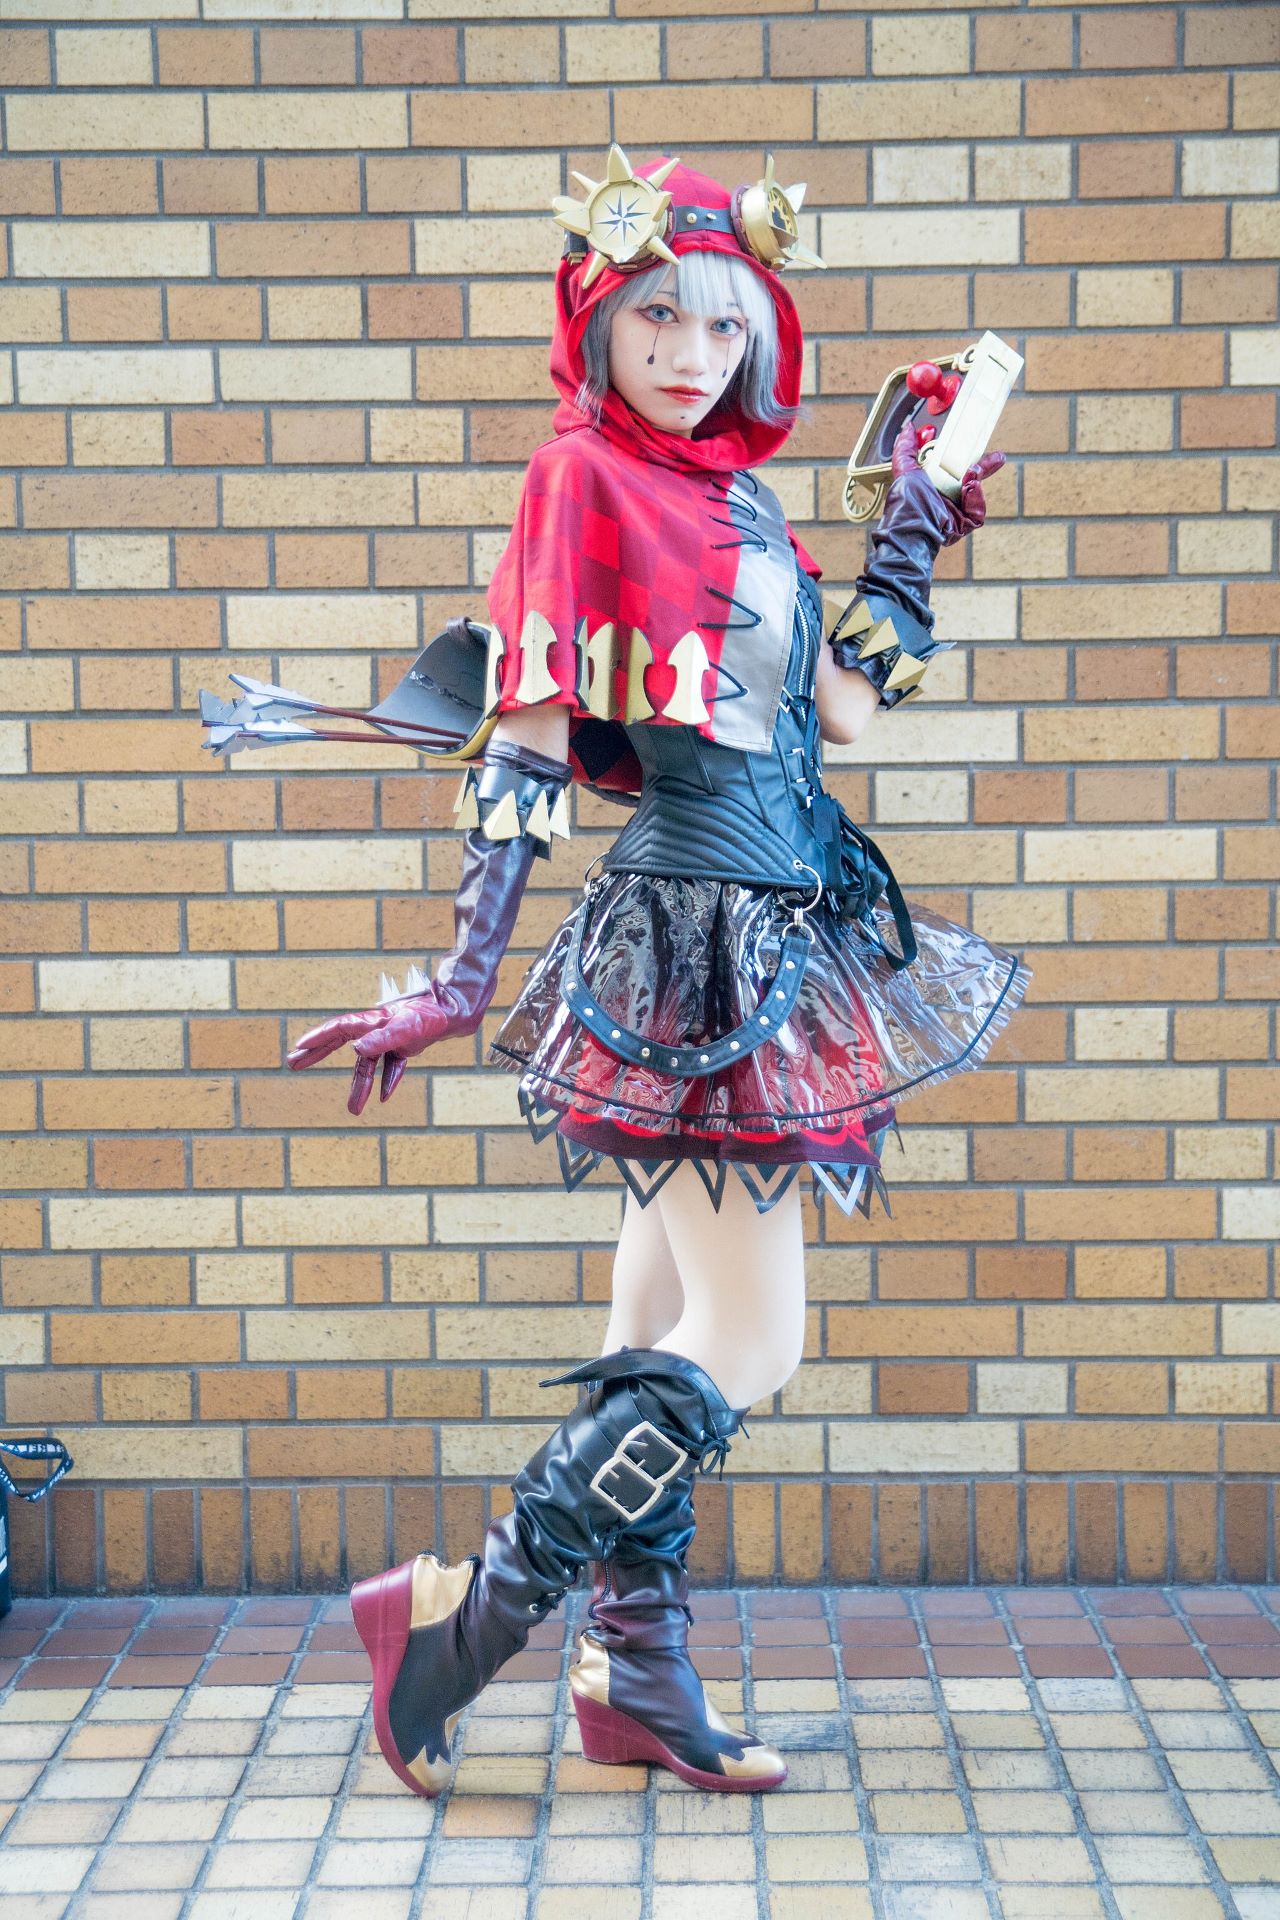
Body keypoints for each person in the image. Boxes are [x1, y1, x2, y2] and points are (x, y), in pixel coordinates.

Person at [222, 148, 1030, 1800]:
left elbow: (845, 720)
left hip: (784, 924)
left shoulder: (740, 499)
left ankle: (633, 1674)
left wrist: (915, 531)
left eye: (722, 324)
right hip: (696, 941)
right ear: (596, 322)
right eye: (654, 314)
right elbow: (521, 742)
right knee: (758, 1341)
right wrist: (459, 978)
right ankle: (448, 1639)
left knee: (655, 1313)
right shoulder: (576, 476)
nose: (689, 350)